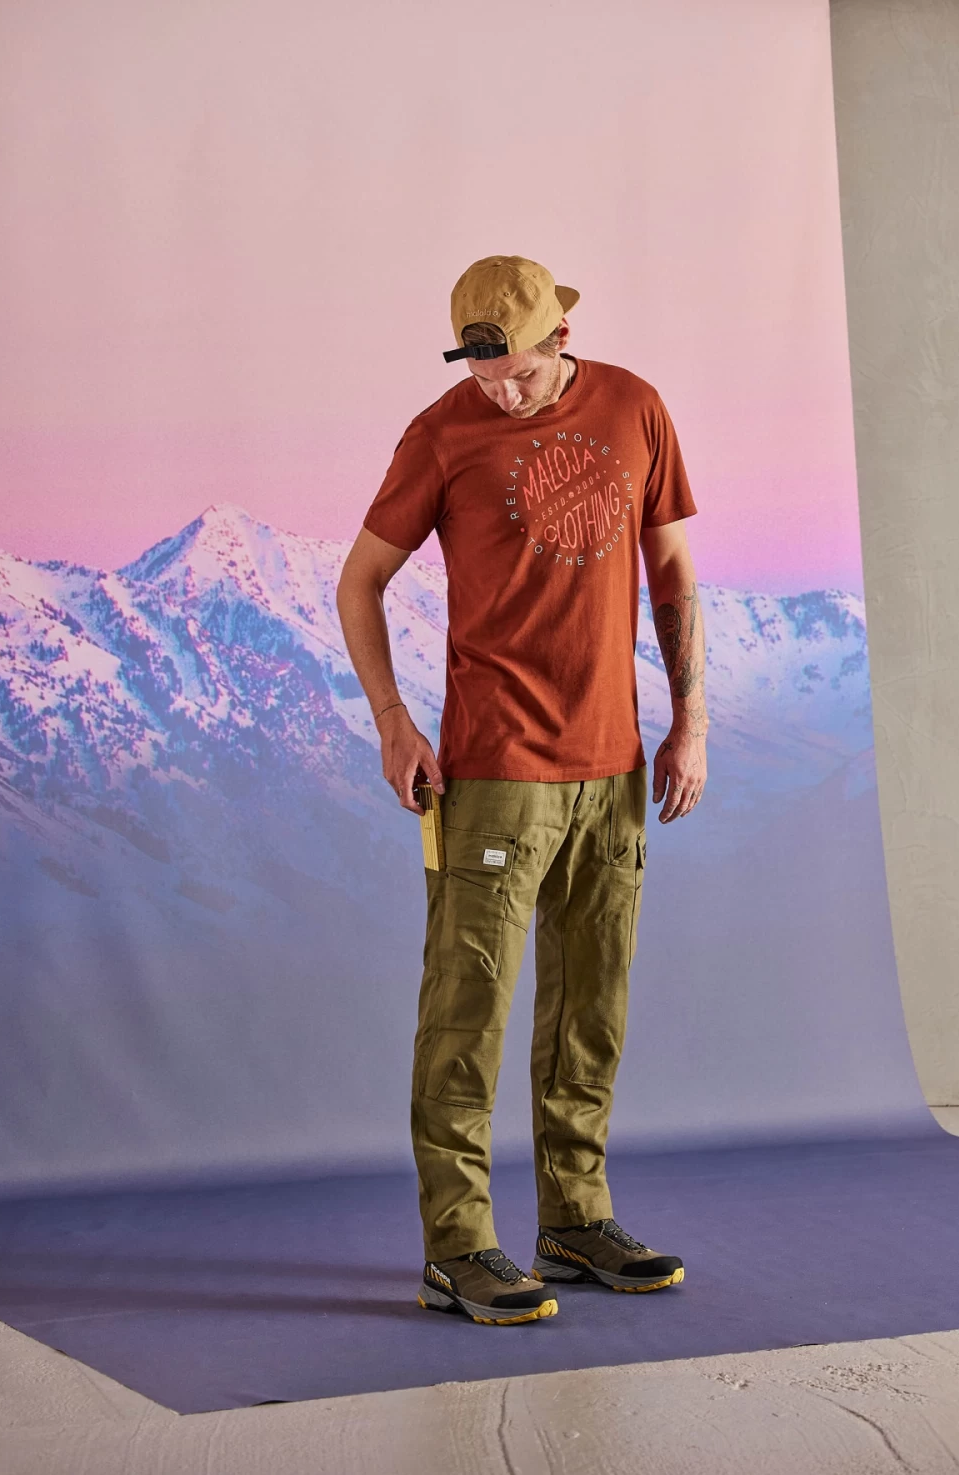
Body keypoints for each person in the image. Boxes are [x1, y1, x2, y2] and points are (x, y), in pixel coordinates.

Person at [336, 255, 708, 1326]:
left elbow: (673, 573)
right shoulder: (439, 435)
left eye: (521, 373)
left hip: (612, 766)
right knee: (469, 1010)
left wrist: (689, 721)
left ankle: (575, 1218)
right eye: (482, 374)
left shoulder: (635, 408)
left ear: (560, 339)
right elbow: (361, 580)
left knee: (592, 1003)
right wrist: (393, 720)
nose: (501, 393)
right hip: (494, 769)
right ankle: (458, 1246)